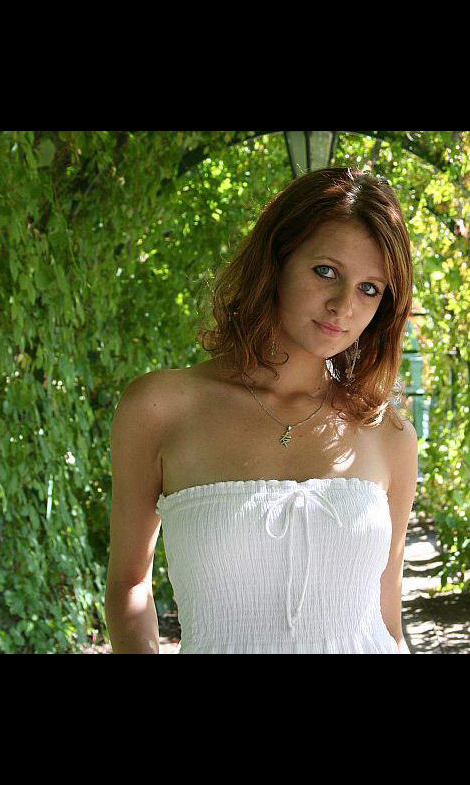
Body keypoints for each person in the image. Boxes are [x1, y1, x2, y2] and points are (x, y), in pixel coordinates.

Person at [105, 166, 418, 653]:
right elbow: (128, 583)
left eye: (369, 289)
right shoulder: (160, 409)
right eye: (326, 271)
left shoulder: (388, 434)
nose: (343, 306)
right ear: (277, 260)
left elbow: (387, 617)